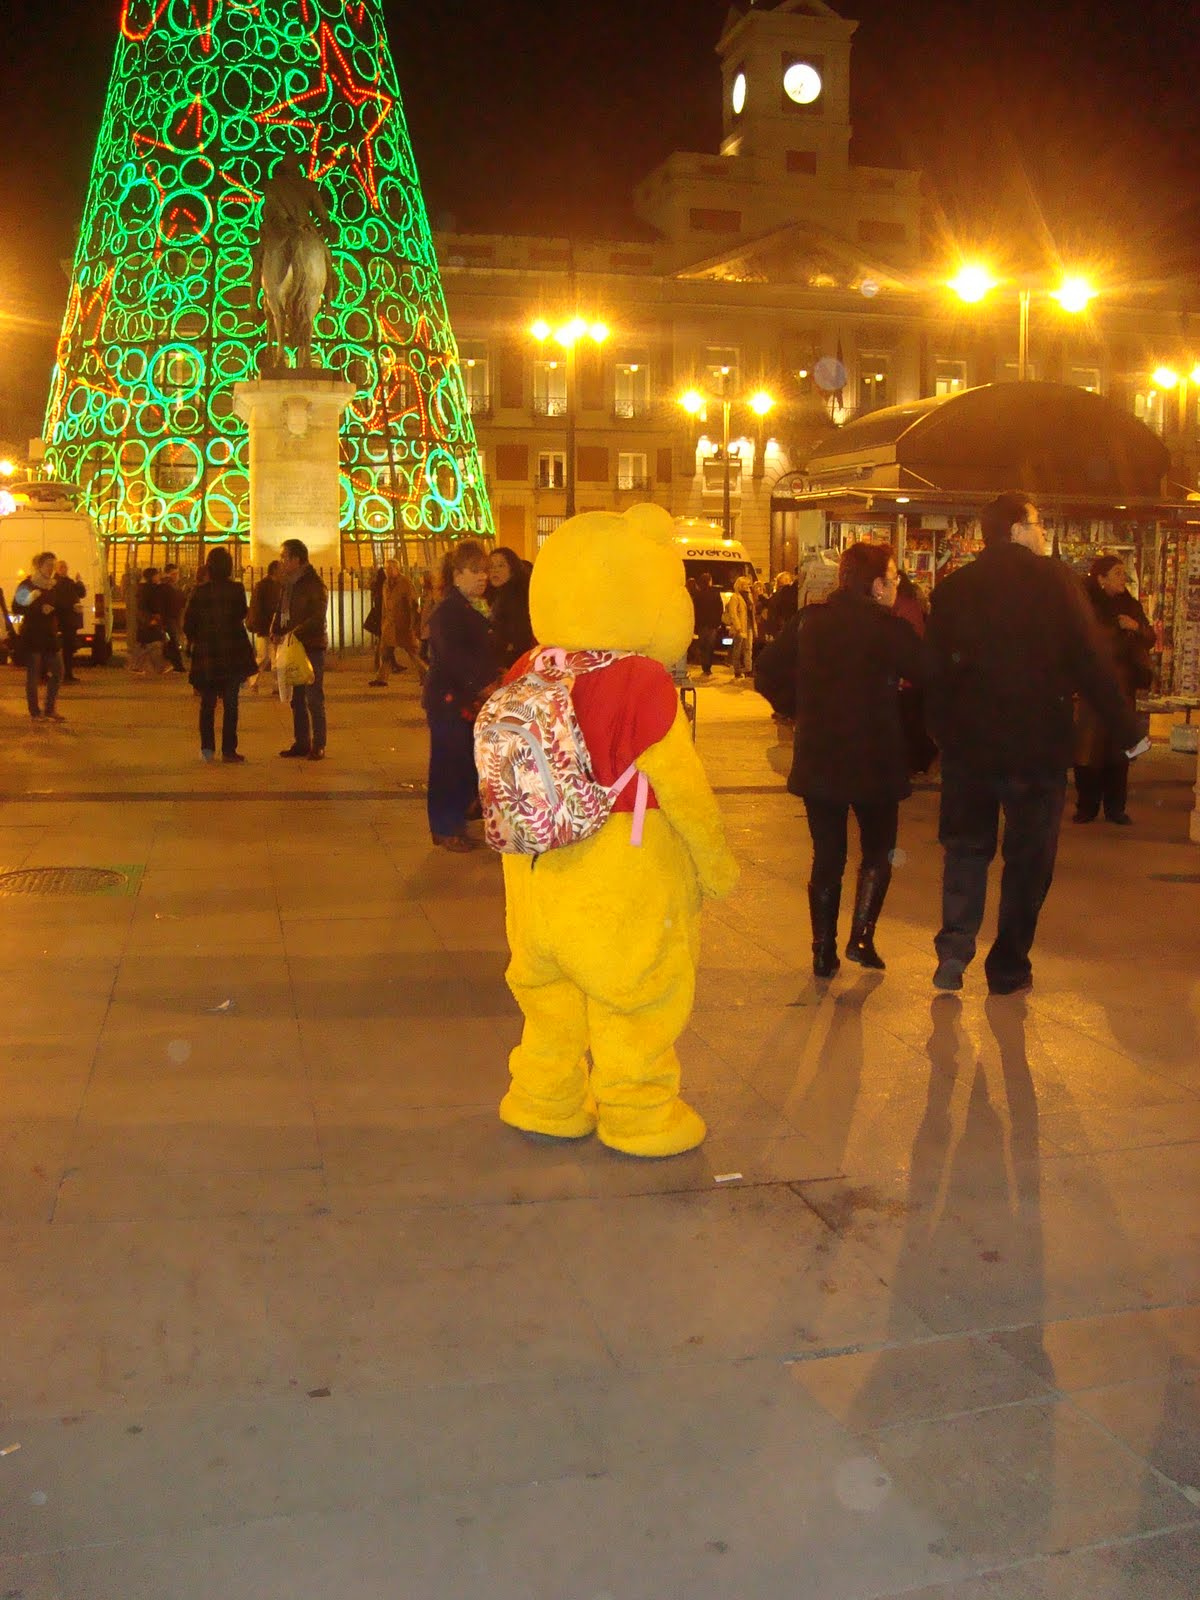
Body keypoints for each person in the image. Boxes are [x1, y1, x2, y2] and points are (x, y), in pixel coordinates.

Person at [924, 492, 1141, 997]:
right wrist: (1127, 729)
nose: (1044, 534)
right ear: (1019, 528)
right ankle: (1007, 965)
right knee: (1029, 858)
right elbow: (1089, 659)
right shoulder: (1055, 582)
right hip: (1035, 746)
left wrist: (940, 731)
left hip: (970, 745)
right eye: (1039, 524)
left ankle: (954, 948)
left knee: (966, 848)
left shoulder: (955, 588)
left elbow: (934, 669)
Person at [755, 543, 921, 977]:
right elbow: (930, 675)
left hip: (821, 757)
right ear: (876, 584)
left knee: (827, 855)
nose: (896, 586)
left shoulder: (809, 621)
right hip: (875, 760)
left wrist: (796, 708)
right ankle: (861, 936)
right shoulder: (890, 629)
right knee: (878, 850)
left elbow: (766, 669)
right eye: (892, 578)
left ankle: (822, 949)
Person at [422, 541, 497, 850]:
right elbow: (452, 656)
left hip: (467, 700)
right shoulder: (449, 611)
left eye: (485, 571)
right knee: (448, 764)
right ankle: (445, 827)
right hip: (449, 700)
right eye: (475, 571)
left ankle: (455, 821)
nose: (483, 577)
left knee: (464, 762)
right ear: (457, 575)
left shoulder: (474, 606)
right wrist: (481, 684)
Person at [1073, 554, 1154, 826]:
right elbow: (1081, 640)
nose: (1123, 578)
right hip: (1093, 687)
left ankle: (1115, 808)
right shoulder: (1087, 606)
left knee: (1119, 750)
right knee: (1088, 750)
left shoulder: (1130, 605)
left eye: (1123, 573)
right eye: (1117, 573)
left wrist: (1135, 626)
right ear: (1101, 579)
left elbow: (1150, 636)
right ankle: (1087, 806)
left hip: (1122, 687)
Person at [182, 547, 255, 763]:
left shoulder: (200, 592)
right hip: (232, 651)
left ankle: (207, 749)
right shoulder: (236, 589)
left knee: (208, 703)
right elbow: (242, 613)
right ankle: (229, 749)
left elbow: (189, 623)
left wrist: (196, 637)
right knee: (231, 703)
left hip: (208, 653)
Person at [272, 538, 328, 760]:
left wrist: (295, 632)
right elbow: (281, 610)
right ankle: (301, 742)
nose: (281, 561)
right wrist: (276, 629)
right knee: (297, 698)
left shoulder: (314, 583)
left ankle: (319, 744)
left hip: (311, 645)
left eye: (284, 557)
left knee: (313, 697)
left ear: (296, 559)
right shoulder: (289, 584)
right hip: (293, 645)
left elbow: (318, 616)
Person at [13, 551, 66, 723]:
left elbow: (58, 605)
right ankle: (35, 712)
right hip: (32, 636)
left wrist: (65, 609)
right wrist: (35, 605)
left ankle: (50, 709)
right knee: (33, 675)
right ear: (39, 566)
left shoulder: (53, 586)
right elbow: (16, 607)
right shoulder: (28, 584)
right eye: (48, 565)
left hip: (50, 636)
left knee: (58, 671)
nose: (51, 569)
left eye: (53, 565)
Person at [370, 559, 426, 685]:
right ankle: (381, 678)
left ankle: (425, 674)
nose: (388, 571)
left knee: (412, 652)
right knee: (386, 653)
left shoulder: (405, 582)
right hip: (389, 625)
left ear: (397, 569)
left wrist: (413, 623)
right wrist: (383, 622)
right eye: (386, 569)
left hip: (403, 624)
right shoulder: (385, 584)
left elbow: (412, 603)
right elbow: (384, 606)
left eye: (390, 568)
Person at [485, 545, 535, 671]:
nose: (495, 571)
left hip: (512, 664)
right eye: (491, 566)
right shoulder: (491, 596)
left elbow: (518, 637)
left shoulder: (516, 597)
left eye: (501, 566)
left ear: (512, 569)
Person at [246, 559, 282, 692]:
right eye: (280, 568)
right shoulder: (262, 586)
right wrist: (258, 625)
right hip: (265, 627)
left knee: (276, 659)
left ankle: (277, 686)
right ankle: (253, 680)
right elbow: (256, 607)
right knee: (264, 657)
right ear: (274, 570)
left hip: (275, 627)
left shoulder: (280, 585)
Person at [50, 559, 86, 683]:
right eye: (61, 567)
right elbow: (58, 601)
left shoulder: (70, 582)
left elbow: (81, 593)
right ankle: (61, 673)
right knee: (60, 649)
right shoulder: (55, 583)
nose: (64, 569)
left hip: (70, 621)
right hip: (62, 620)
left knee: (69, 649)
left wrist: (79, 582)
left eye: (65, 567)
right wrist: (72, 606)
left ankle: (68, 673)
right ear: (56, 569)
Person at [131, 568, 167, 675]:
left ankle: (157, 667)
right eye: (157, 575)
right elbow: (146, 606)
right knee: (151, 643)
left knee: (149, 643)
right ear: (152, 576)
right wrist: (151, 619)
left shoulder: (147, 588)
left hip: (149, 620)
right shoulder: (148, 589)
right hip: (149, 620)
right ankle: (157, 667)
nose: (159, 577)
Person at [692, 571, 723, 679]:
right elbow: (720, 608)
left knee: (703, 645)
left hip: (702, 624)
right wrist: (718, 621)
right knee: (710, 645)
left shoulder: (698, 594)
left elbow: (695, 610)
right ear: (710, 581)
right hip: (712, 624)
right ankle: (708, 667)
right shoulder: (715, 593)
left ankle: (704, 665)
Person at [724, 575, 755, 679]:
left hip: (749, 625)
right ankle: (737, 670)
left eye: (748, 584)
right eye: (746, 584)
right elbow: (733, 613)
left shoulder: (749, 596)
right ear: (740, 585)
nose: (748, 586)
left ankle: (748, 669)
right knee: (738, 649)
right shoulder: (735, 597)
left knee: (748, 648)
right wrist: (738, 626)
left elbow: (751, 612)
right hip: (740, 626)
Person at [159, 564, 186, 672]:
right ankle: (178, 665)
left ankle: (170, 662)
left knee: (171, 641)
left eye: (177, 574)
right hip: (168, 618)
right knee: (173, 641)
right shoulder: (165, 587)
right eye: (173, 574)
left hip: (174, 617)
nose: (176, 576)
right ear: (167, 574)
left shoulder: (174, 586)